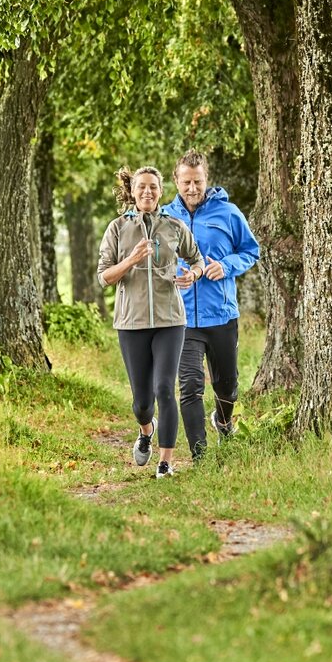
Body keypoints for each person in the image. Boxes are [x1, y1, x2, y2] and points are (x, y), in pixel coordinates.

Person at [96, 166, 205, 478]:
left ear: (161, 191)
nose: (147, 192)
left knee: (164, 389)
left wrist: (193, 274)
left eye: (153, 188)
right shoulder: (117, 228)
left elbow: (196, 258)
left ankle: (165, 462)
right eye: (141, 187)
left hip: (171, 320)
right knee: (142, 402)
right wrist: (130, 259)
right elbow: (103, 276)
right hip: (131, 322)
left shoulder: (173, 226)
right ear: (132, 191)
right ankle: (146, 430)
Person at [161, 149, 260, 460]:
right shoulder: (163, 217)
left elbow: (250, 251)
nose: (193, 188)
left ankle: (224, 420)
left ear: (207, 180)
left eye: (198, 182)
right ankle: (200, 456)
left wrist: (227, 265)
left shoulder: (229, 213)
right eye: (187, 182)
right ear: (176, 181)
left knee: (227, 385)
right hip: (181, 318)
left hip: (221, 314)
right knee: (189, 385)